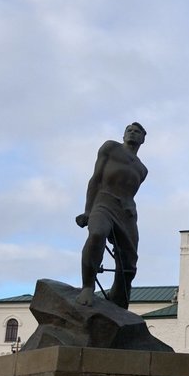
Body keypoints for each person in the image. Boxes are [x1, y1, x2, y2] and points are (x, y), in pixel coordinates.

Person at [76, 122, 148, 310]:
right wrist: (88, 210)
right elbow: (95, 179)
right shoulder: (110, 148)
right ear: (123, 135)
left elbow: (130, 191)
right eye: (129, 130)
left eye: (137, 132)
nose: (132, 133)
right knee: (97, 234)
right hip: (104, 202)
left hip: (127, 212)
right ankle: (88, 287)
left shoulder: (142, 169)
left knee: (129, 263)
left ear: (143, 139)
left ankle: (118, 302)